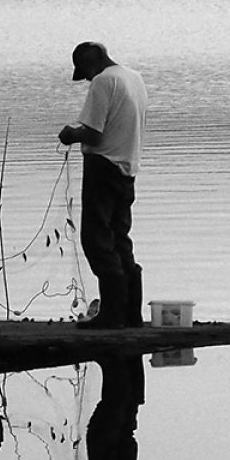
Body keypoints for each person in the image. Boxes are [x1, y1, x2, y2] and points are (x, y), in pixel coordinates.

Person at [58, 42, 148, 329]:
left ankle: (111, 315)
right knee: (120, 237)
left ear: (90, 61)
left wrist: (70, 135)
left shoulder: (103, 81)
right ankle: (130, 314)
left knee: (97, 240)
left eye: (84, 71)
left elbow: (94, 135)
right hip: (127, 167)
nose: (86, 78)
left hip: (103, 166)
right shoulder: (133, 78)